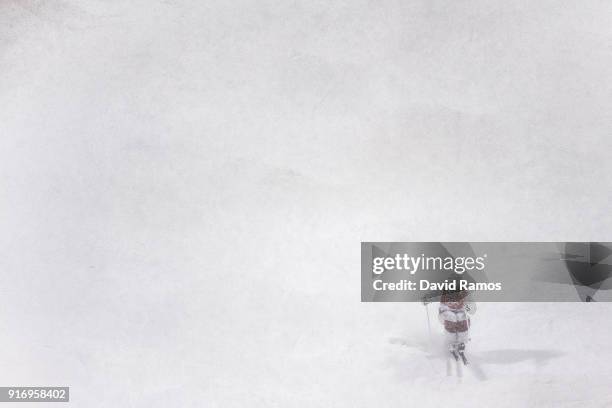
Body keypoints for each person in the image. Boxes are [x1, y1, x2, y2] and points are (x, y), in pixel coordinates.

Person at [438, 289, 477, 355]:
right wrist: (427, 299)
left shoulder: (465, 293)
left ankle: (461, 342)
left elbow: (472, 310)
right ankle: (451, 342)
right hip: (446, 313)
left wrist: (467, 306)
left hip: (460, 314)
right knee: (451, 317)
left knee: (461, 316)